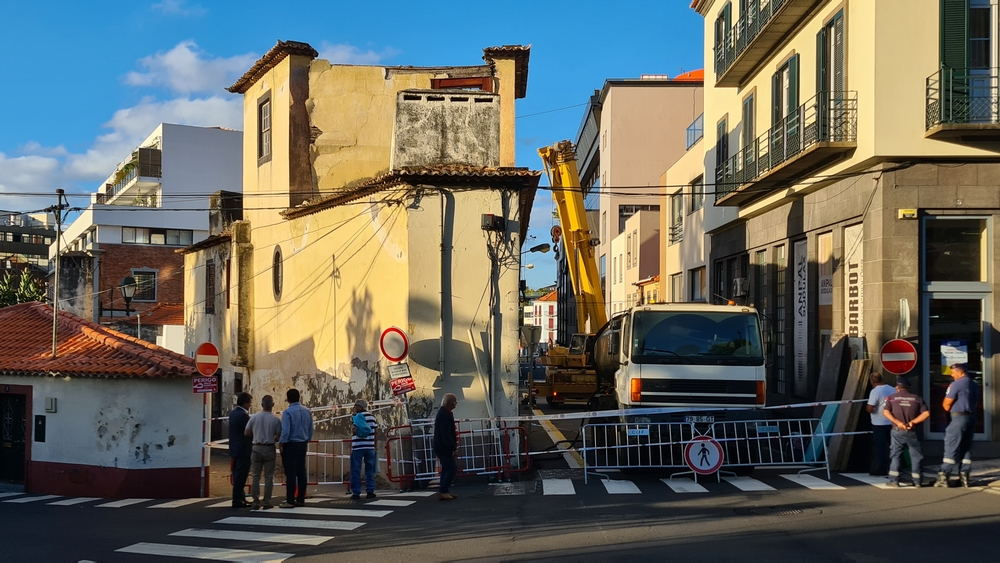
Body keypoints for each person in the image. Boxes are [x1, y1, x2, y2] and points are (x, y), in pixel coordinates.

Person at [936, 363, 982, 488]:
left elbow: (946, 403)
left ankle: (944, 476)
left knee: (951, 444)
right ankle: (964, 478)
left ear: (960, 372)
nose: (952, 375)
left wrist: (947, 415)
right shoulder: (974, 384)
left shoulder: (956, 384)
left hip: (958, 417)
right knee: (966, 447)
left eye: (953, 373)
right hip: (971, 417)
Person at [882, 377, 930, 487]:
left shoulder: (891, 398)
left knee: (896, 455)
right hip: (911, 431)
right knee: (916, 456)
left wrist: (897, 423)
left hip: (897, 431)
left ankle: (894, 480)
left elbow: (886, 412)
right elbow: (926, 414)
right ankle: (917, 481)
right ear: (908, 387)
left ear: (897, 388)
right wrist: (913, 422)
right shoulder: (917, 398)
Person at [244, 395, 283, 510]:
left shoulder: (254, 417)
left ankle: (255, 501)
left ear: (262, 405)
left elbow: (246, 432)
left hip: (256, 447)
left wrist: (256, 435)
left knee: (255, 476)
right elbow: (278, 436)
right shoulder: (276, 420)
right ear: (273, 405)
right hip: (269, 448)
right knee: (269, 476)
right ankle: (266, 502)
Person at [279, 388, 314, 508]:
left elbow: (286, 431)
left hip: (291, 444)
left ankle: (290, 500)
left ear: (288, 399)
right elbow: (310, 429)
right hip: (302, 444)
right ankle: (300, 499)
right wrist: (306, 439)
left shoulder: (288, 412)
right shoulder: (307, 411)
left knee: (291, 473)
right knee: (301, 472)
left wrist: (282, 443)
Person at [866, 372, 895, 476]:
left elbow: (870, 408)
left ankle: (883, 469)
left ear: (872, 381)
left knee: (881, 447)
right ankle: (896, 467)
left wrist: (866, 408)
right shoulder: (892, 389)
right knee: (894, 446)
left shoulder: (875, 392)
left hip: (878, 422)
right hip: (892, 421)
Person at [349, 399, 379, 500]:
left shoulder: (356, 417)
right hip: (370, 446)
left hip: (358, 447)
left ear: (360, 407)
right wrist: (375, 445)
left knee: (356, 469)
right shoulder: (372, 417)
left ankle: (356, 493)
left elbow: (353, 431)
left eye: (356, 405)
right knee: (369, 470)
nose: (354, 407)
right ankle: (370, 491)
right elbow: (375, 432)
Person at [228, 392, 253, 508]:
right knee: (241, 475)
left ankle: (241, 498)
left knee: (238, 474)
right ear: (245, 403)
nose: (250, 405)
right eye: (249, 403)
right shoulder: (243, 416)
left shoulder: (233, 413)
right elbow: (249, 431)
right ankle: (237, 499)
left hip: (235, 448)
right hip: (243, 449)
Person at [434, 393, 459, 500]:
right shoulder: (444, 414)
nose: (456, 403)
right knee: (451, 468)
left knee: (447, 468)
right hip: (443, 447)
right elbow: (446, 433)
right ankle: (443, 490)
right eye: (454, 401)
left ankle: (444, 490)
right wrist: (452, 447)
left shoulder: (446, 413)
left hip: (442, 446)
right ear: (448, 402)